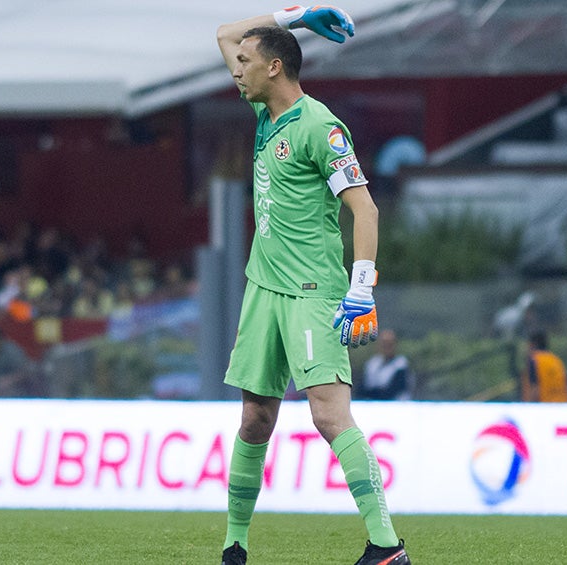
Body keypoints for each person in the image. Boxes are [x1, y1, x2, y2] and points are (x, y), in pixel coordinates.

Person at [216, 7, 409, 565]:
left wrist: (361, 291)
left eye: (247, 64)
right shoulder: (264, 115)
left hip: (311, 291)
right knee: (255, 418)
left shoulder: (320, 128)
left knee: (328, 415)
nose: (236, 69)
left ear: (274, 69)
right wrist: (295, 15)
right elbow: (226, 34)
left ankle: (387, 545)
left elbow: (365, 209)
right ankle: (235, 547)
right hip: (263, 290)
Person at [360, 329, 414, 400]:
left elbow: (393, 390)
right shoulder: (372, 364)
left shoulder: (401, 365)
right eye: (383, 343)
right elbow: (362, 388)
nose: (386, 347)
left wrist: (372, 392)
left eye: (389, 344)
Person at [520, 329, 567, 403]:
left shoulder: (534, 360)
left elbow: (535, 389)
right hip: (562, 406)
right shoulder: (556, 360)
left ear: (532, 344)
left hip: (543, 408)